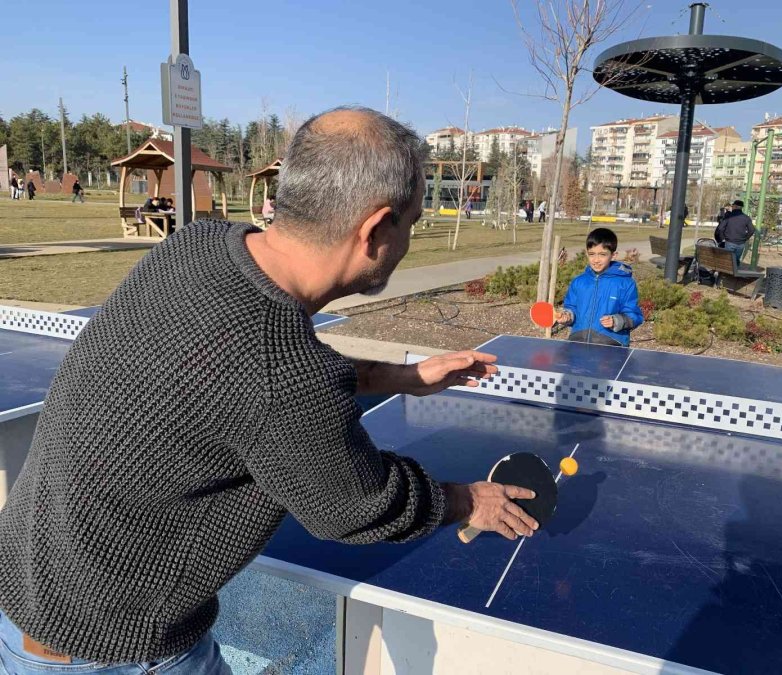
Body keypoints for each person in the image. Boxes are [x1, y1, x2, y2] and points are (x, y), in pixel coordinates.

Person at [0, 107, 539, 675]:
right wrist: (467, 500)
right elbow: (357, 506)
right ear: (376, 229)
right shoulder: (282, 372)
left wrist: (396, 377)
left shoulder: (196, 247)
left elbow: (227, 378)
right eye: (411, 222)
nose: (408, 238)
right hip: (114, 648)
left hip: (22, 591)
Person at [554, 227, 643, 347]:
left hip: (611, 345)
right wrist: (567, 316)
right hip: (577, 342)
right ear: (586, 253)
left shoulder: (626, 284)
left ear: (613, 255)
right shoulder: (578, 282)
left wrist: (616, 321)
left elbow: (634, 315)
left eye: (602, 254)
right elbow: (571, 308)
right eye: (592, 254)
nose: (596, 260)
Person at [713, 199, 755, 265]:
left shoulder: (729, 216)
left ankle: (726, 274)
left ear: (735, 206)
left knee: (727, 261)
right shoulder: (746, 218)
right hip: (741, 243)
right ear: (741, 207)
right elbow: (752, 230)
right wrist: (746, 238)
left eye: (733, 206)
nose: (732, 207)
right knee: (735, 261)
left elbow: (720, 228)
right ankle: (734, 274)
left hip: (730, 242)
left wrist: (722, 238)